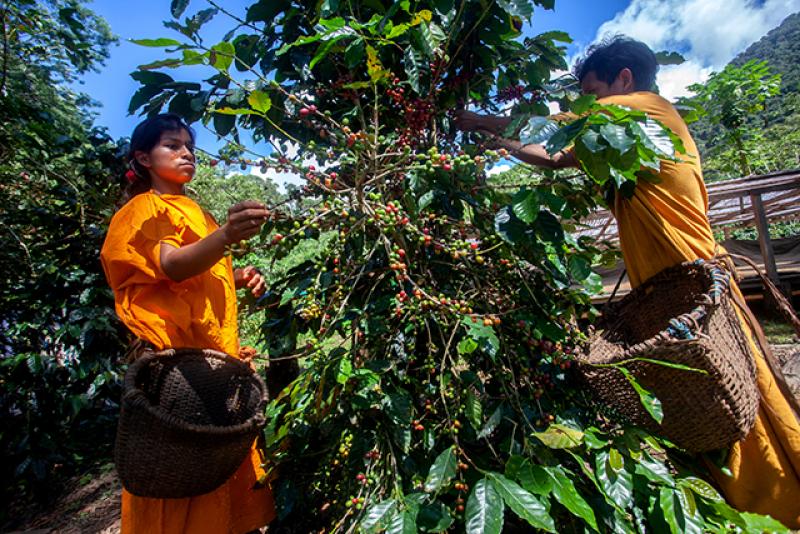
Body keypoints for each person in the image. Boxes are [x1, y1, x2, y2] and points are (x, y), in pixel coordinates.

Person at [456, 36, 800, 528]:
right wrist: (497, 139)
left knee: (740, 405)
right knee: (711, 405)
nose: (588, 104)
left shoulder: (647, 110)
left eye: (592, 92)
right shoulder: (623, 135)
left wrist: (486, 121)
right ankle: (742, 504)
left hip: (697, 285)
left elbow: (558, 133)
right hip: (668, 288)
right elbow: (557, 156)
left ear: (622, 81)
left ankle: (779, 509)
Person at [100, 113, 275, 533]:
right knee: (179, 482)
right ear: (142, 157)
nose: (186, 154)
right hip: (176, 370)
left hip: (213, 366)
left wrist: (236, 276)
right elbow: (172, 266)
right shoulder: (144, 209)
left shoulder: (196, 213)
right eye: (172, 145)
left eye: (189, 147)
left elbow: (195, 276)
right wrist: (227, 238)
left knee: (217, 470)